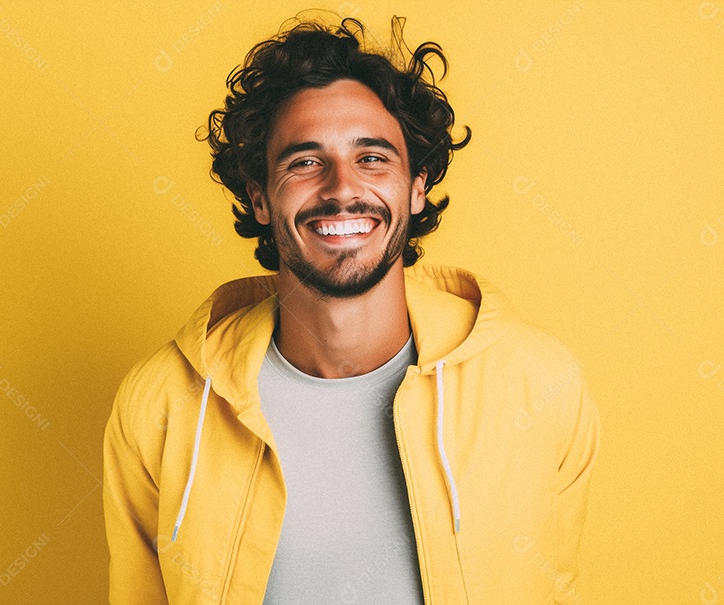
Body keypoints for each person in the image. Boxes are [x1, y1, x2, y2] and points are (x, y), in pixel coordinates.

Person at [104, 16, 599, 604]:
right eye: (305, 162)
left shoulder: (538, 385)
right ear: (260, 197)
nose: (342, 188)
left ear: (416, 187)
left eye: (372, 158)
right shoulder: (161, 403)